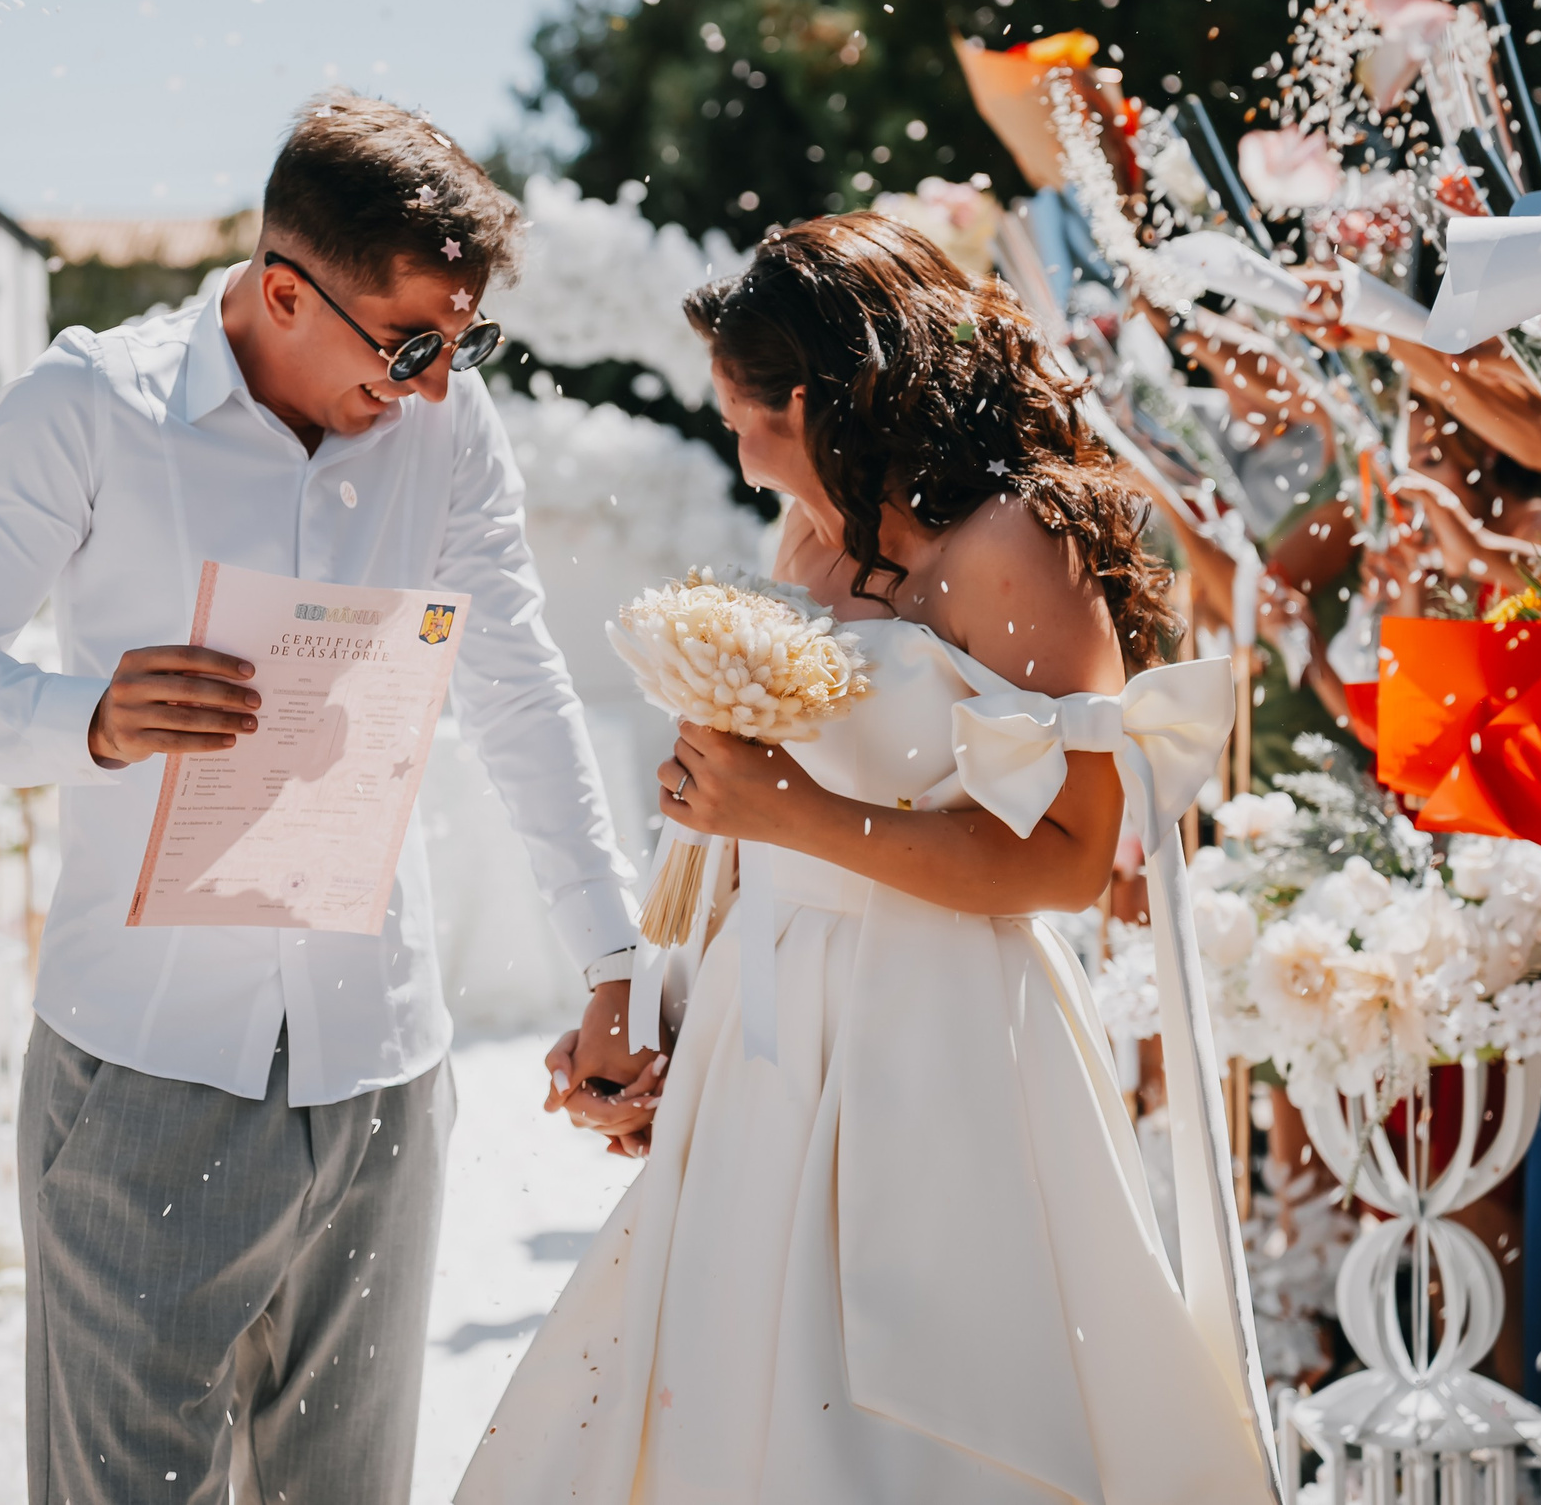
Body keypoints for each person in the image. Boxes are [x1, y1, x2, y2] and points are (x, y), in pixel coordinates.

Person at [0, 93, 650, 1505]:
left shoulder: (447, 422)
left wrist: (613, 955)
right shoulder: (88, 406)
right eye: (409, 344)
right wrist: (90, 718)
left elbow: (516, 683)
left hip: (382, 1065)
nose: (435, 383)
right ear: (284, 288)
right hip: (146, 1064)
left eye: (463, 342)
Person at [461, 214, 1274, 1504]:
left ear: (808, 401)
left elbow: (1069, 862)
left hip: (942, 1026)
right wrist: (659, 1010)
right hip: (763, 1023)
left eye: (738, 414)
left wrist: (790, 814)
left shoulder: (1019, 542)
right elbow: (739, 836)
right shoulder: (806, 536)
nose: (735, 448)